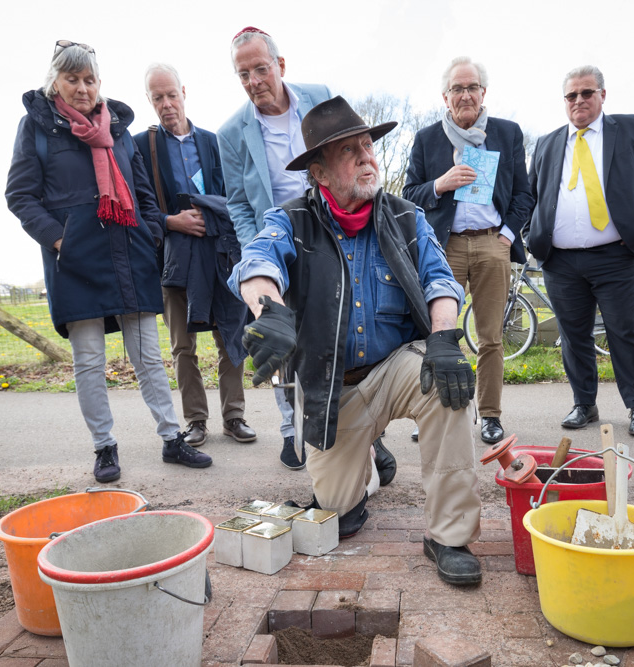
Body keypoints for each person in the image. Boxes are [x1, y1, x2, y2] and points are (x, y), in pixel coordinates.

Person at [229, 97, 483, 586]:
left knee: (446, 385)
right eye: (351, 151)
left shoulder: (408, 217)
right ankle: (367, 460)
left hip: (396, 370)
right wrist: (270, 310)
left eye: (369, 146)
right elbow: (256, 263)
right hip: (333, 387)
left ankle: (448, 536)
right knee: (339, 517)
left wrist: (446, 338)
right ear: (320, 174)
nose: (368, 157)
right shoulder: (292, 219)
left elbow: (440, 281)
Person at [6, 42, 210, 482]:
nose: (82, 88)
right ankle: (104, 447)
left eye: (89, 80)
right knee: (89, 361)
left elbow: (142, 192)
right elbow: (20, 197)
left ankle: (172, 439)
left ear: (100, 83)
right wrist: (62, 240)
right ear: (55, 82)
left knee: (149, 357)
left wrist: (149, 231)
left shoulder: (116, 128)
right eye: (72, 79)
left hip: (129, 253)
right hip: (76, 261)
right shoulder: (37, 128)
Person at [218, 27, 394, 483]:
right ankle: (291, 427)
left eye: (260, 68)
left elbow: (350, 150)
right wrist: (258, 251)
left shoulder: (320, 98)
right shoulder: (231, 132)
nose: (254, 80)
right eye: (243, 74)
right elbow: (237, 200)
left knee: (347, 327)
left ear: (280, 65)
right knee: (281, 336)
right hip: (282, 238)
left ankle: (368, 435)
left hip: (337, 230)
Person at [526, 65, 634, 437]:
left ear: (602, 95)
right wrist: (531, 234)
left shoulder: (632, 129)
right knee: (573, 334)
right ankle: (584, 404)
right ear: (564, 101)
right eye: (571, 95)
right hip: (560, 260)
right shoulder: (547, 143)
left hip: (616, 255)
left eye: (587, 93)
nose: (579, 101)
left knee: (625, 331)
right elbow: (531, 196)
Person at [403, 58, 534, 445]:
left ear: (483, 93)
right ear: (445, 96)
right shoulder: (428, 139)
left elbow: (524, 194)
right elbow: (410, 196)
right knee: (436, 334)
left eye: (471, 87)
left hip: (494, 242)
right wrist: (439, 185)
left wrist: (508, 236)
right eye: (457, 88)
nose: (465, 95)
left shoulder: (507, 134)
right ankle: (429, 411)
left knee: (491, 336)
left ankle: (490, 415)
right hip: (446, 248)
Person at [135, 63, 255, 448]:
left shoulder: (214, 141)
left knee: (230, 334)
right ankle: (196, 421)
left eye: (171, 95)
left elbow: (235, 195)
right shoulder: (142, 147)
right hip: (174, 259)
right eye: (158, 98)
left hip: (220, 254)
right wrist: (172, 221)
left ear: (184, 92)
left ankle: (234, 416)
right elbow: (139, 205)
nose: (166, 104)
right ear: (150, 101)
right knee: (182, 344)